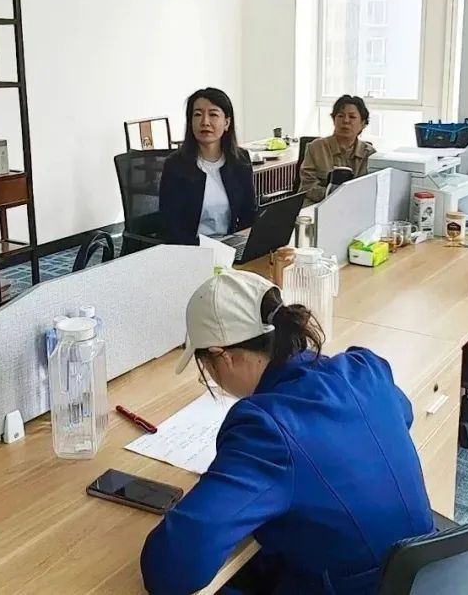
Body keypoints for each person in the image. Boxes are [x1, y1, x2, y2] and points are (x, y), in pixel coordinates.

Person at [140, 270, 433, 595]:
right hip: (430, 574)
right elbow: (403, 414)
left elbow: (171, 570)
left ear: (224, 357)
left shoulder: (266, 430)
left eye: (207, 369)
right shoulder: (363, 369)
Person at [158, 87, 257, 245]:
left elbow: (249, 213)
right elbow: (170, 225)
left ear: (226, 123)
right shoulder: (175, 165)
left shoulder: (240, 160)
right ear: (190, 122)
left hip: (229, 246)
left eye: (213, 114)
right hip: (191, 249)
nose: (205, 122)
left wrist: (241, 245)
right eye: (197, 114)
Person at [299, 95, 378, 202]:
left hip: (354, 207)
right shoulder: (316, 147)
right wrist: (335, 196)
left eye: (352, 117)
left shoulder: (369, 154)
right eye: (340, 116)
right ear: (333, 120)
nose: (346, 121)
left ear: (363, 123)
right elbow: (307, 186)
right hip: (318, 205)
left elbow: (371, 190)